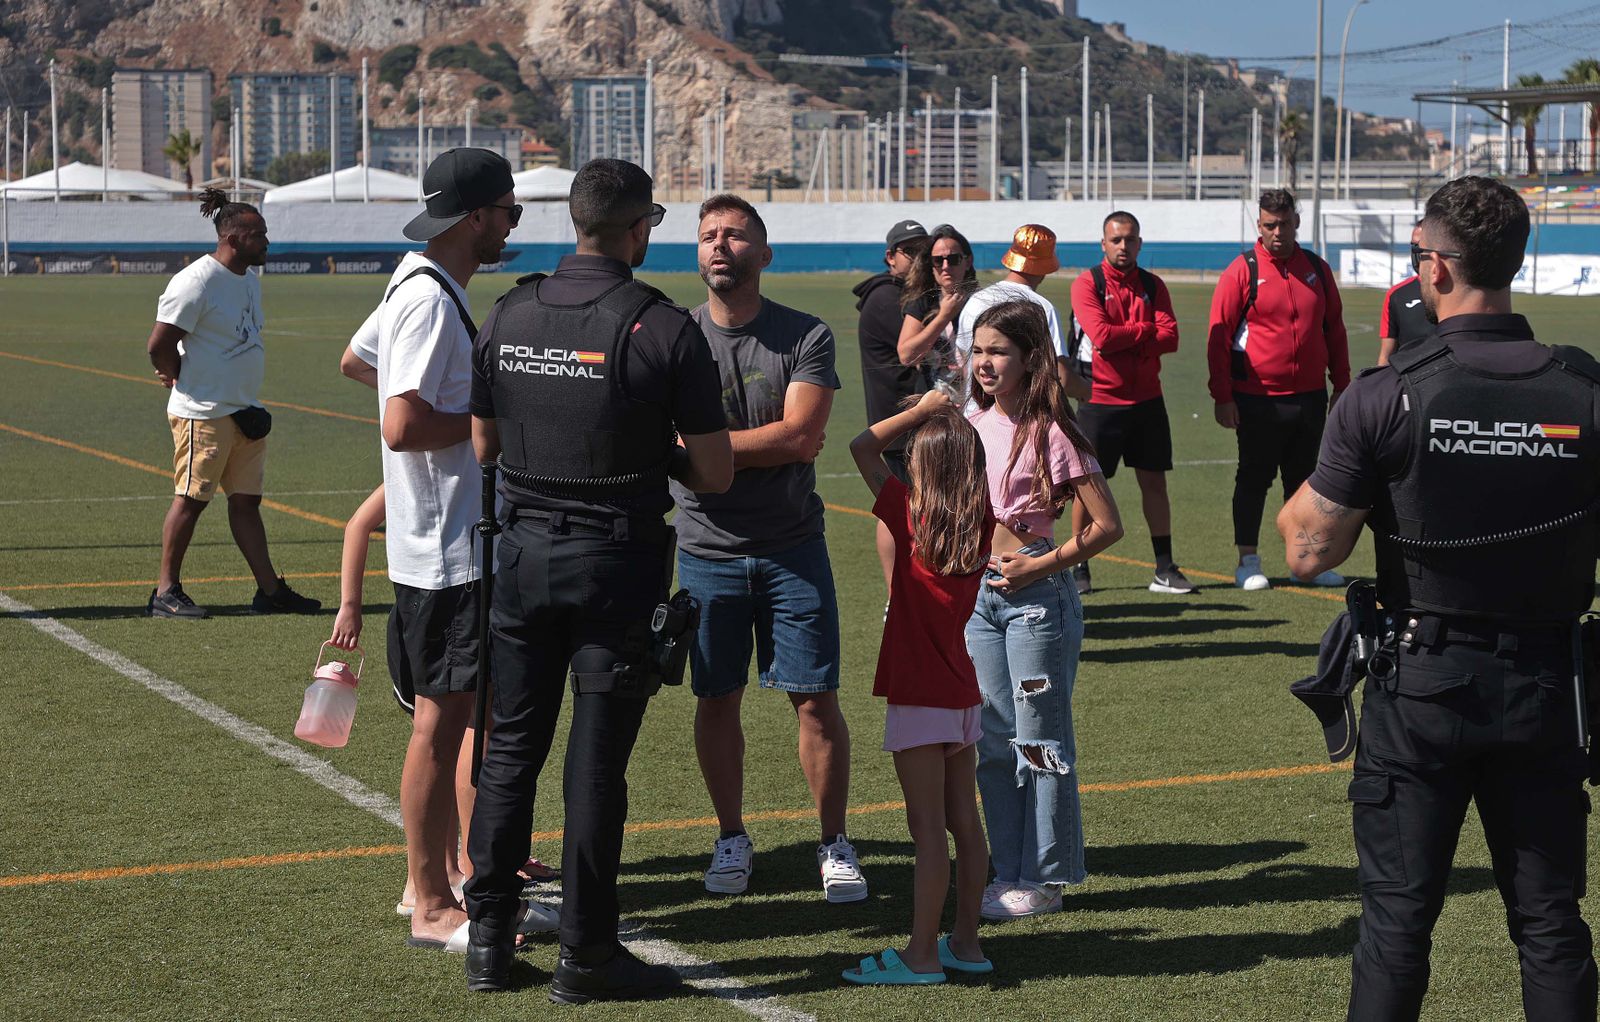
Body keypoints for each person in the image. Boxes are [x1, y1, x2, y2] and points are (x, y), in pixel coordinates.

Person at [1277, 175, 1599, 1021]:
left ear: (1437, 269)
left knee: (1396, 926)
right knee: (1550, 924)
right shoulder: (1585, 391)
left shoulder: (1388, 392)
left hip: (1421, 684)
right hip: (1548, 689)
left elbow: (1306, 551)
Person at [463, 158, 733, 1001]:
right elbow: (715, 472)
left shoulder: (509, 311)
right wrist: (654, 452)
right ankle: (586, 956)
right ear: (639, 229)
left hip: (520, 556)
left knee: (511, 750)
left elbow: (484, 447)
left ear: (576, 221)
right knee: (595, 764)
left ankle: (489, 940)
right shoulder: (661, 326)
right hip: (615, 563)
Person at [370, 147, 556, 955]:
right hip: (445, 550)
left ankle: (444, 876)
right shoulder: (428, 299)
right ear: (477, 216)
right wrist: (495, 423)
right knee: (440, 730)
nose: (512, 225)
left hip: (440, 542)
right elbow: (401, 424)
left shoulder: (421, 284)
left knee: (457, 723)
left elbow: (359, 360)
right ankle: (430, 902)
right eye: (509, 212)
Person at [672, 194, 865, 906]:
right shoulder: (675, 336)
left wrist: (700, 450)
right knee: (715, 699)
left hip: (792, 550)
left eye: (735, 234)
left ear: (765, 252)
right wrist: (756, 445)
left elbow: (801, 437)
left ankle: (834, 841)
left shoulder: (805, 334)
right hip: (706, 552)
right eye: (708, 235)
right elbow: (674, 440)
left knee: (815, 701)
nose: (720, 245)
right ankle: (731, 836)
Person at [965, 299, 1123, 920]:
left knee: (1039, 742)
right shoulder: (971, 426)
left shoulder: (1054, 432)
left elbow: (1107, 526)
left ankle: (1046, 878)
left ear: (1031, 359)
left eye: (997, 351)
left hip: (1037, 605)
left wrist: (1040, 564)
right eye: (978, 350)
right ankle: (1007, 870)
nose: (984, 363)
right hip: (980, 601)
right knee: (992, 743)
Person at [841, 389, 994, 986]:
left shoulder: (907, 514)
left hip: (920, 695)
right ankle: (966, 943)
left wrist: (921, 411)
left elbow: (862, 446)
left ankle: (922, 955)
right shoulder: (981, 522)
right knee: (965, 825)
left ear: (922, 467)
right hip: (961, 691)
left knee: (928, 833)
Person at [143, 188, 320, 619]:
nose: (267, 242)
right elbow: (159, 343)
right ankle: (165, 591)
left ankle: (270, 592)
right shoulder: (196, 281)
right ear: (233, 239)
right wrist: (176, 376)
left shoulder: (249, 280)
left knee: (246, 502)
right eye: (259, 235)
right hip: (204, 412)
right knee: (191, 500)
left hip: (244, 412)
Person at [1207, 188, 1350, 591]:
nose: (1277, 232)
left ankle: (1304, 562)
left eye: (1284, 224)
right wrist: (1223, 396)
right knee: (1253, 479)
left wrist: (1342, 384)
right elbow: (1218, 338)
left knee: (1306, 484)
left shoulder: (1317, 270)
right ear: (1260, 225)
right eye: (1270, 225)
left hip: (1309, 397)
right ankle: (1247, 561)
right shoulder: (1243, 270)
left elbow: (1334, 330)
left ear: (1296, 223)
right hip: (1258, 399)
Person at [1067, 210, 1194, 597]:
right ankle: (1078, 567)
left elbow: (1171, 337)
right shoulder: (1087, 283)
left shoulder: (1153, 285)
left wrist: (1132, 337)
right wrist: (1145, 331)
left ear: (1140, 243)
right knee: (1089, 486)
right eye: (1116, 239)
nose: (1123, 246)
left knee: (1154, 482)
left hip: (1147, 400)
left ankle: (1164, 568)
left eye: (1130, 239)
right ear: (1103, 243)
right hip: (1099, 400)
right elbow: (1102, 336)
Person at [853, 219, 929, 589]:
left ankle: (901, 594)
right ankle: (897, 593)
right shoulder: (886, 298)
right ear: (890, 257)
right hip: (900, 423)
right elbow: (921, 349)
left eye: (923, 250)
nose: (918, 258)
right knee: (900, 512)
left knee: (902, 509)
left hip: (905, 421)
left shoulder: (904, 294)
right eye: (909, 250)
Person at [954, 223, 1090, 404]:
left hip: (974, 412)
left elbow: (964, 359)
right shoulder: (1042, 308)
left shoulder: (975, 300)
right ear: (1046, 266)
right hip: (1020, 415)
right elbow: (1062, 377)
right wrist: (1088, 390)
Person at [898, 223, 978, 401]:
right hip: (931, 402)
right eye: (938, 260)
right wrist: (943, 317)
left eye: (954, 259)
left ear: (968, 261)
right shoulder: (923, 301)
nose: (946, 266)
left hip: (973, 402)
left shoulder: (981, 301)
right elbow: (906, 356)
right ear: (931, 265)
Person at [1377, 228, 1433, 366]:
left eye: (1419, 245)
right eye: (1413, 245)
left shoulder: (1459, 291)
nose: (1415, 251)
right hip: (1409, 377)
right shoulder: (1397, 294)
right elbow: (1386, 356)